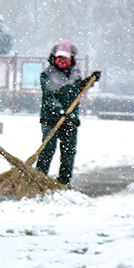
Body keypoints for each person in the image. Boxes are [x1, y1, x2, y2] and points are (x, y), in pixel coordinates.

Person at [35, 40, 100, 186]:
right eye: (59, 58)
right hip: (50, 119)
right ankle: (39, 179)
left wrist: (90, 80)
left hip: (70, 119)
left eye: (65, 58)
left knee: (69, 151)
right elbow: (49, 95)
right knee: (48, 149)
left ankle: (64, 181)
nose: (62, 61)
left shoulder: (75, 73)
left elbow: (77, 90)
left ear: (71, 58)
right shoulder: (47, 75)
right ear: (54, 58)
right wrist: (59, 110)